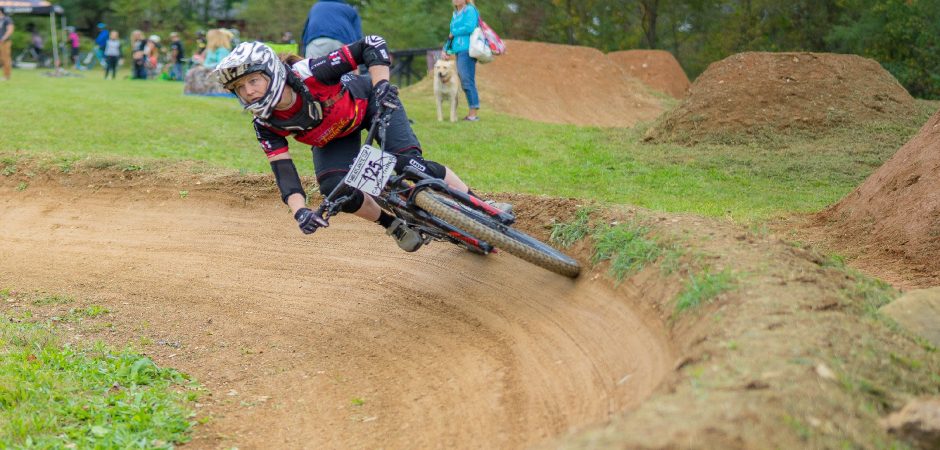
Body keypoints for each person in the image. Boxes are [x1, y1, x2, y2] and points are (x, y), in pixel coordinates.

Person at [213, 37, 511, 251]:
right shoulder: (264, 123)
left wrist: (382, 86)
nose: (248, 91)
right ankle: (393, 225)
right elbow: (284, 174)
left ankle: (483, 205)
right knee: (335, 189)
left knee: (408, 165)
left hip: (370, 104)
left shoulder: (311, 73)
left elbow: (372, 44)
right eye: (239, 87)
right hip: (334, 139)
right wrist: (300, 212)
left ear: (272, 72)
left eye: (253, 81)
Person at [446, 0, 481, 121]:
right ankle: (471, 112)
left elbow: (470, 27)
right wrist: (446, 49)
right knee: (465, 80)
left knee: (467, 80)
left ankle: (473, 114)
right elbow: (451, 34)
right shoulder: (455, 13)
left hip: (468, 50)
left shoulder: (470, 10)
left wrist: (454, 32)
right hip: (458, 50)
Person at [0, 9, 13, 81]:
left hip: (5, 42)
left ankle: (6, 76)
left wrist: (4, 38)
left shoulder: (7, 19)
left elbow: (10, 29)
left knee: (5, 58)